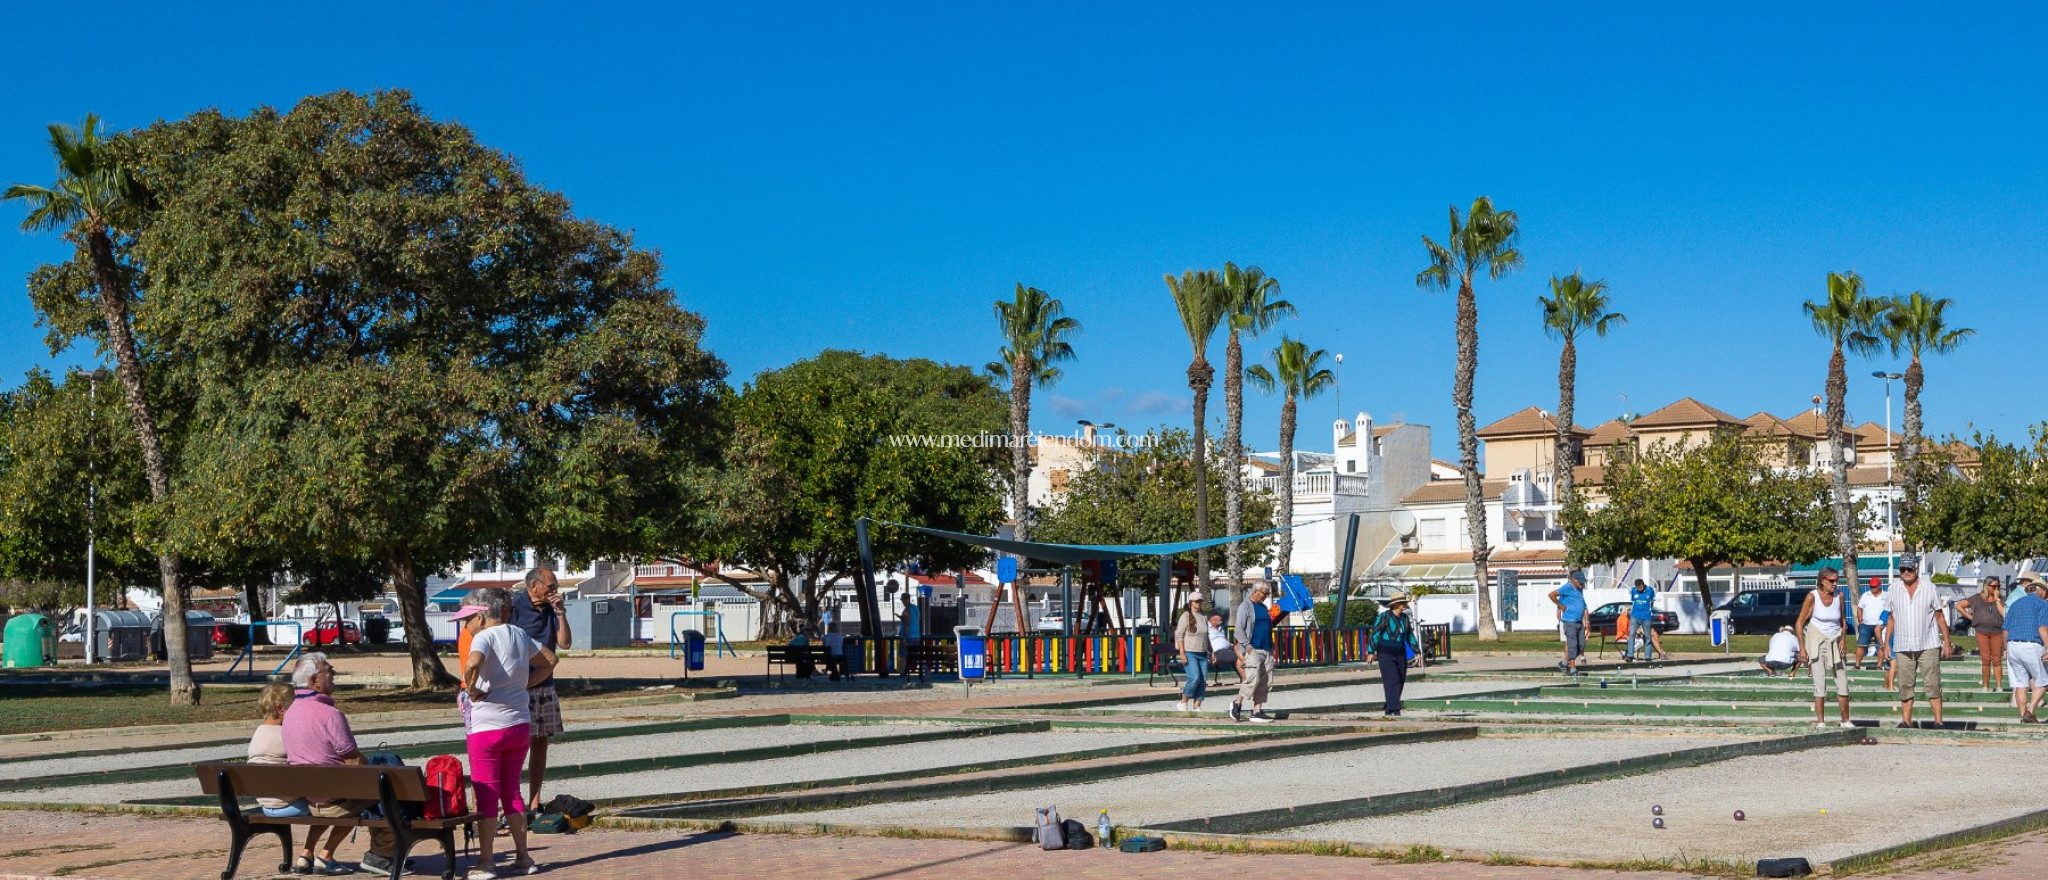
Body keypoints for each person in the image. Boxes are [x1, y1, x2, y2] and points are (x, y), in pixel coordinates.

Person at [465, 587, 557, 879]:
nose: (465, 626)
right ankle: (524, 857)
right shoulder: (518, 633)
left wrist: (472, 687)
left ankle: (486, 862)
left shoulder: (483, 636)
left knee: (487, 793)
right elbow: (551, 660)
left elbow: (473, 662)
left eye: (467, 620)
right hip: (518, 723)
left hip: (487, 728)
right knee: (512, 791)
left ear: (481, 615)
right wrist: (526, 683)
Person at [281, 653, 400, 875]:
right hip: (334, 797)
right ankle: (329, 855)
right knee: (380, 792)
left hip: (310, 796)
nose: (334, 673)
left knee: (329, 794)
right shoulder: (331, 715)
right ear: (314, 681)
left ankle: (306, 853)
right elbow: (353, 759)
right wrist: (374, 767)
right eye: (328, 670)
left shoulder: (290, 713)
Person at [250, 683, 346, 875]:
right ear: (280, 708)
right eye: (293, 707)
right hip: (287, 805)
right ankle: (324, 855)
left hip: (265, 805)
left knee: (322, 803)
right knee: (333, 806)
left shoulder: (258, 733)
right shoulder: (285, 735)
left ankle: (306, 856)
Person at [509, 567, 571, 810]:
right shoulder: (514, 606)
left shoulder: (551, 609)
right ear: (534, 586)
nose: (554, 591)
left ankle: (535, 802)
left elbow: (564, 643)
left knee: (540, 743)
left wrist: (561, 613)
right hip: (518, 687)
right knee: (515, 745)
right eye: (551, 586)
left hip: (544, 687)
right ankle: (513, 802)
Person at [1882, 557, 1953, 728]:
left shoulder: (1929, 588)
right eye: (1902, 569)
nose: (1906, 572)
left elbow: (1939, 616)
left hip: (1928, 643)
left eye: (1909, 569)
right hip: (1902, 644)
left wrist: (1947, 642)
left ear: (1916, 568)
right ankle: (1906, 721)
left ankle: (1938, 721)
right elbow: (1890, 618)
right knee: (1905, 684)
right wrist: (1886, 644)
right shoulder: (1893, 589)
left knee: (1933, 683)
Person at [1794, 567, 1854, 728]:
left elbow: (1843, 620)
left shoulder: (1839, 596)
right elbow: (1799, 623)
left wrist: (1843, 641)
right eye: (1832, 581)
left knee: (1842, 681)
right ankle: (1821, 721)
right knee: (1819, 682)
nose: (1835, 584)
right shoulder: (1812, 597)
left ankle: (1845, 720)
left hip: (1835, 640)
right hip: (1817, 640)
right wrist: (1802, 647)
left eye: (1837, 580)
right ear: (1822, 581)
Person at [2002, 573, 2048, 723]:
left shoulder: (2016, 604)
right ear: (2041, 590)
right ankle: (2030, 710)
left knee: (2020, 684)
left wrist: (2005, 649)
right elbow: (2042, 628)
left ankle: (2023, 716)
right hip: (2032, 644)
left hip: (2012, 645)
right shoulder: (2042, 605)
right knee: (2043, 682)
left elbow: (2005, 630)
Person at [1229, 584, 1277, 722]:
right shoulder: (1245, 606)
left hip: (1266, 648)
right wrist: (1248, 648)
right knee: (1252, 679)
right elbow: (1239, 630)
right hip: (1254, 648)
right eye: (1264, 593)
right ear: (1255, 591)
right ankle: (1237, 703)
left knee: (1265, 681)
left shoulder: (1263, 608)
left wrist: (1271, 646)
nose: (1266, 596)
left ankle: (1257, 710)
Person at [1954, 578, 2007, 693]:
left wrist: (1997, 599)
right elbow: (1959, 606)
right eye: (1994, 586)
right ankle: (1986, 686)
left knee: (1997, 659)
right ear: (1986, 586)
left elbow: (2004, 613)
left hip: (1997, 631)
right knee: (1985, 659)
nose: (1996, 588)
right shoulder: (1977, 598)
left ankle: (1999, 685)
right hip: (1982, 631)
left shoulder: (2001, 599)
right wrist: (1971, 617)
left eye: (1998, 586)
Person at [1370, 595, 1420, 716]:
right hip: (1385, 652)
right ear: (1395, 604)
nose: (1404, 604)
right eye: (1402, 602)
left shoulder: (1404, 618)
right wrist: (1371, 651)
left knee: (1401, 679)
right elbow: (1375, 634)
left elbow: (1409, 636)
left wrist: (1417, 652)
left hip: (1400, 652)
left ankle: (1389, 708)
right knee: (1393, 679)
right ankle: (1395, 709)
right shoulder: (1384, 617)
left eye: (1404, 602)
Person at [1172, 595, 1211, 713]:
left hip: (1203, 652)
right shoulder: (1186, 616)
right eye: (1196, 601)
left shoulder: (1203, 616)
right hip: (1190, 652)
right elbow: (1179, 635)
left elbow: (1206, 636)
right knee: (1194, 677)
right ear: (1190, 602)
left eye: (1200, 600)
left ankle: (1197, 705)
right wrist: (1182, 653)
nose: (1198, 603)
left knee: (1203, 680)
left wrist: (1211, 651)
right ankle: (1183, 701)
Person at [1550, 570, 1590, 676]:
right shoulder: (1567, 587)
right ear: (1573, 580)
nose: (1582, 584)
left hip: (1579, 621)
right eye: (1580, 582)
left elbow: (1582, 603)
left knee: (1581, 645)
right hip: (1569, 621)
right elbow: (1552, 595)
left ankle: (1564, 663)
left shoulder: (1580, 589)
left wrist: (1587, 620)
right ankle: (1572, 668)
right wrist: (1560, 605)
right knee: (1572, 645)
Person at [1626, 579, 1666, 662]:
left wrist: (1648, 610)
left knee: (1648, 636)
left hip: (1646, 617)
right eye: (1637, 588)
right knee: (1632, 634)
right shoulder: (1633, 590)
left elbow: (1652, 602)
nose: (1639, 589)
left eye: (1640, 587)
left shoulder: (1650, 590)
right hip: (1635, 616)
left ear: (1643, 585)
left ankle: (1648, 656)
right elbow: (1634, 601)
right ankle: (1630, 655)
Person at [1855, 579, 1889, 670]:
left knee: (1880, 645)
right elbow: (1859, 608)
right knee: (1861, 644)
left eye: (1875, 586)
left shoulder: (1886, 596)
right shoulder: (1865, 595)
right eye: (1871, 586)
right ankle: (1857, 665)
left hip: (1881, 625)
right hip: (1866, 625)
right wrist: (1860, 621)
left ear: (1879, 585)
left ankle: (1879, 665)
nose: (1873, 588)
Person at [1205, 612, 1238, 680]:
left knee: (1241, 649)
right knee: (1239, 656)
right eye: (1219, 619)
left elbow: (1223, 640)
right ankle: (1245, 678)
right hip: (1217, 652)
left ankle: (1245, 677)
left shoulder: (1221, 628)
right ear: (1213, 618)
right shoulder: (1206, 627)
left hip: (1227, 649)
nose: (1221, 620)